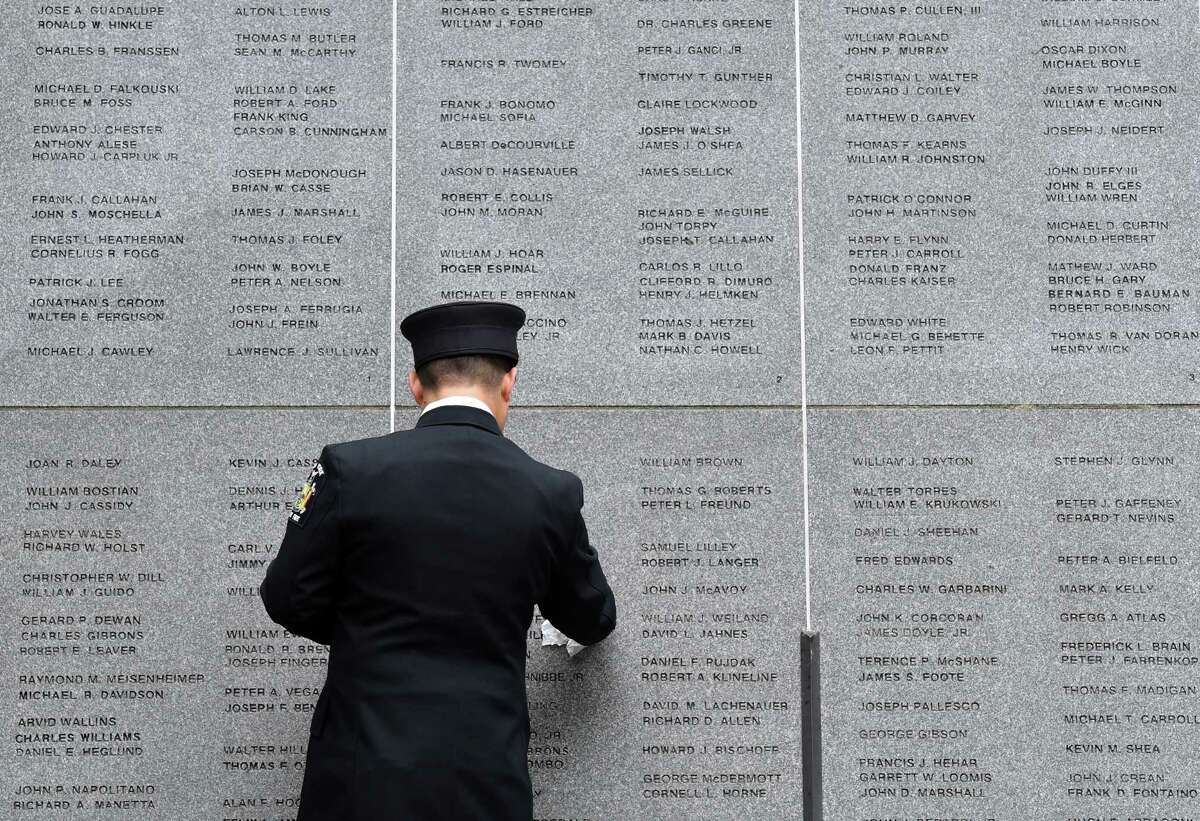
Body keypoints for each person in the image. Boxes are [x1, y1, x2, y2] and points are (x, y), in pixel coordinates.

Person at [259, 299, 617, 820]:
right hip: (483, 780)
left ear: (415, 384)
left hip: (360, 776)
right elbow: (592, 616)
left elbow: (286, 597)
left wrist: (365, 627)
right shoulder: (549, 493)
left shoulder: (350, 470)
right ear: (509, 380)